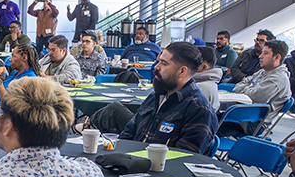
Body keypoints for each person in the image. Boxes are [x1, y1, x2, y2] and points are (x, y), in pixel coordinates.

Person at [88, 43, 218, 153]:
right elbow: (127, 135)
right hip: (131, 163)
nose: (156, 67)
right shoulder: (156, 96)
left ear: (182, 71)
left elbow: (184, 159)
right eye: (158, 61)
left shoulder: (198, 109)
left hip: (159, 175)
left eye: (164, 63)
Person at [232, 39, 291, 126]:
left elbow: (254, 97)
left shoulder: (278, 79)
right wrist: (250, 89)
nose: (260, 56)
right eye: (262, 52)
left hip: (255, 122)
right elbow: (237, 87)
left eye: (265, 53)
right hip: (246, 114)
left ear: (277, 57)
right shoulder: (263, 71)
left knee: (212, 122)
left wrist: (248, 88)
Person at [0, 43, 41, 112]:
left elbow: (8, 102)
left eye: (13, 56)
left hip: (6, 115)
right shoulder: (15, 73)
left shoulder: (29, 78)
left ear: (24, 58)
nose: (10, 60)